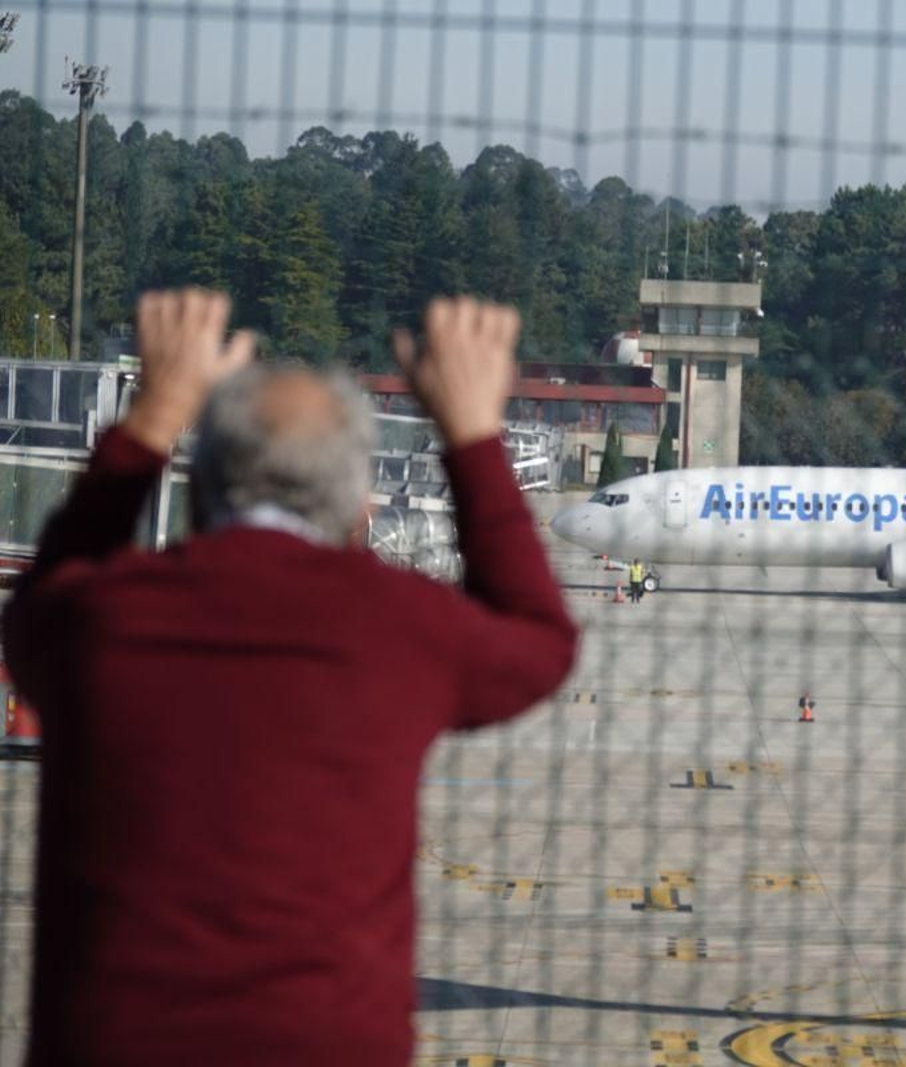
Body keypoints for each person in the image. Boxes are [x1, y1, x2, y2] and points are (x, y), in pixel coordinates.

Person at [2, 289, 579, 1066]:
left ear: (200, 491)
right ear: (353, 510)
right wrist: (473, 434)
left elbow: (37, 602)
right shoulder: (398, 625)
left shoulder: (105, 618)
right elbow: (542, 639)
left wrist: (154, 414)